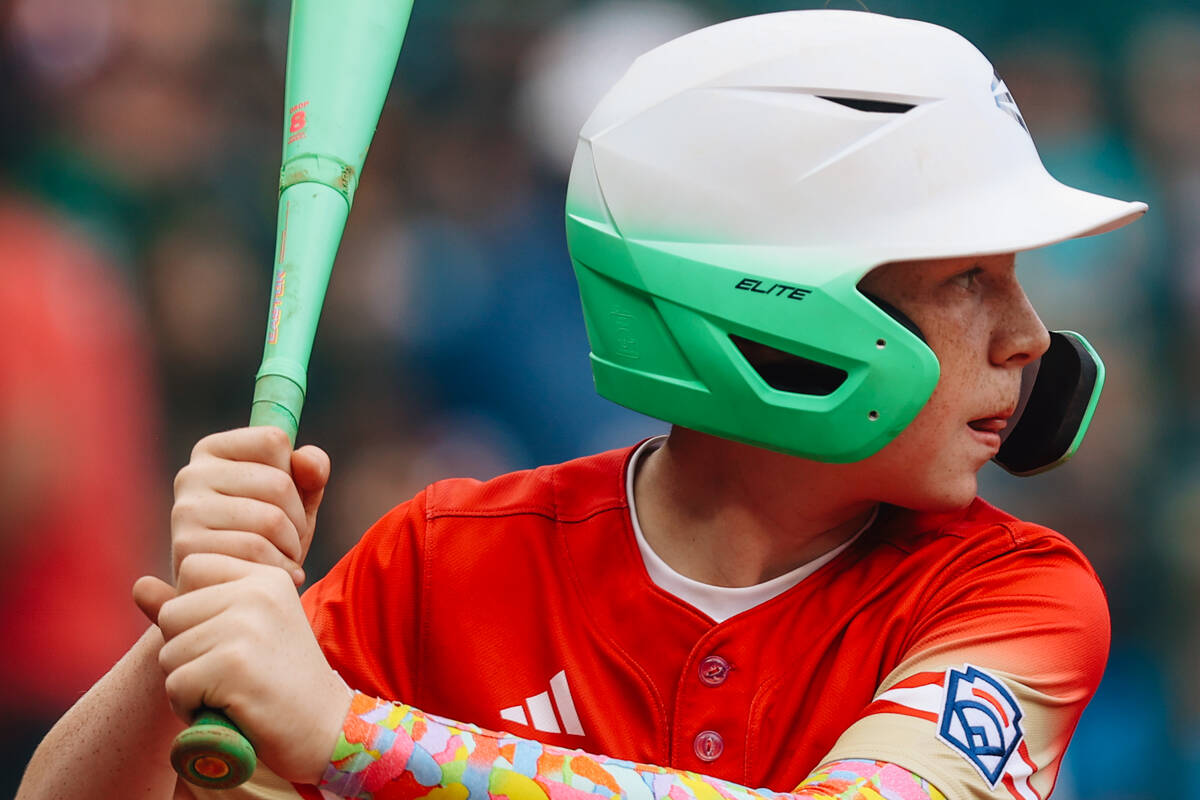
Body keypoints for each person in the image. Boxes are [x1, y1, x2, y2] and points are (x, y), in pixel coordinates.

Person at [17, 10, 1147, 800]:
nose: (1030, 337)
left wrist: (349, 734)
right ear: (778, 302)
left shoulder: (1014, 592)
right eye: (968, 280)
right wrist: (203, 618)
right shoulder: (444, 560)